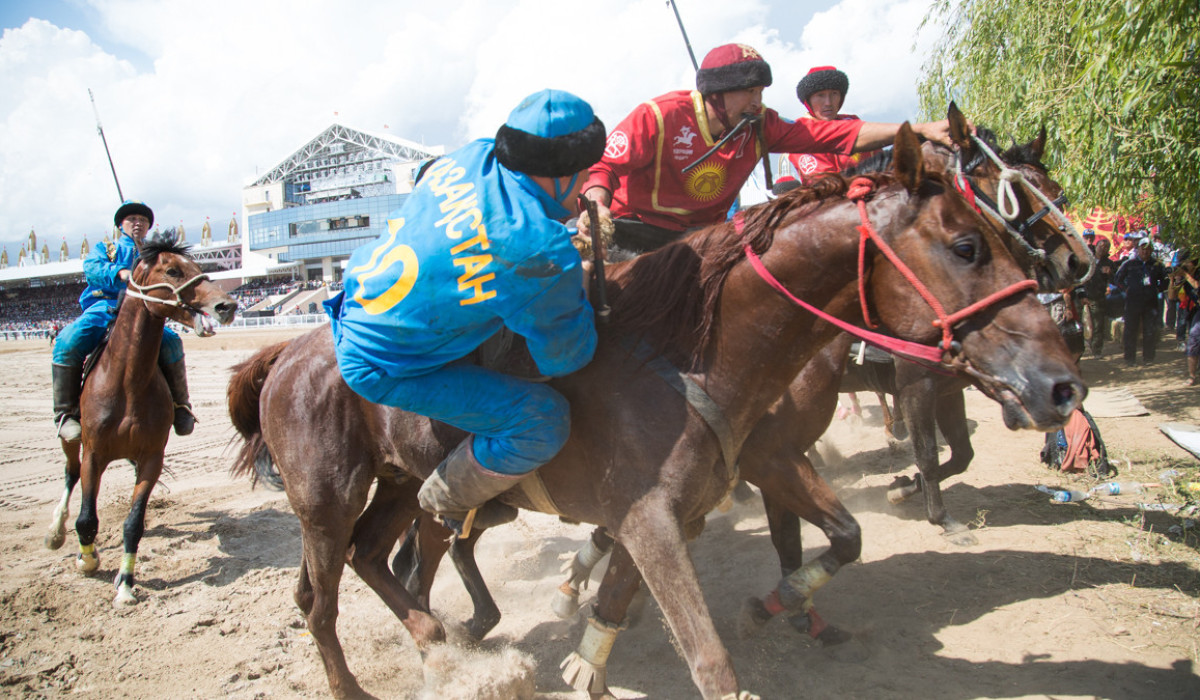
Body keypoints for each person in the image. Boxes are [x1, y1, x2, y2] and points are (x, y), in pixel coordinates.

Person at [325, 89, 606, 533]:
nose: (589, 179)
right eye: (584, 169)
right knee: (542, 420)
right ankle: (450, 498)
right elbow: (566, 357)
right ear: (560, 174)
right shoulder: (539, 250)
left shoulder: (473, 154)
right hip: (381, 364)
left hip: (356, 291)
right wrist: (581, 276)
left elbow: (428, 181)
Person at [579, 43, 956, 254]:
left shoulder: (761, 124)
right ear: (716, 94)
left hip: (701, 240)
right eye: (749, 92)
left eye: (761, 92)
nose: (758, 102)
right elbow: (604, 168)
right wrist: (597, 208)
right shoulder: (658, 116)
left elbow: (836, 135)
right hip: (634, 231)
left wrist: (919, 129)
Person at [51, 201, 194, 441]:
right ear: (121, 225)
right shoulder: (106, 248)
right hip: (105, 308)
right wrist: (120, 273)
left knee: (172, 342)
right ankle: (66, 414)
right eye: (132, 219)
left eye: (143, 220)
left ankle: (181, 406)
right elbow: (92, 268)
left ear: (149, 226)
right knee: (67, 340)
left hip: (144, 311)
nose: (137, 223)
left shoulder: (157, 254)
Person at [779, 65, 876, 189]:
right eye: (820, 95)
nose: (828, 103)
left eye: (834, 94)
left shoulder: (854, 122)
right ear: (808, 101)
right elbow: (826, 185)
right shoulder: (801, 133)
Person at [1113, 237, 1167, 366]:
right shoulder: (1129, 264)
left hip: (1150, 303)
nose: (1145, 252)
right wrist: (1126, 289)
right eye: (1143, 249)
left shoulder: (1157, 265)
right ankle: (1129, 359)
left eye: (1148, 249)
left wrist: (1157, 289)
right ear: (1138, 250)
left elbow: (1166, 280)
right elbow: (1118, 279)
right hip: (1133, 302)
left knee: (1150, 330)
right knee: (1130, 330)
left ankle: (1148, 358)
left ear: (1151, 250)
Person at [1081, 232, 1117, 357]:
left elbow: (1115, 281)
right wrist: (1081, 296)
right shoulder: (1087, 259)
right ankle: (1080, 349)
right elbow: (1079, 277)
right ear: (1096, 247)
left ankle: (1097, 350)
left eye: (1106, 247)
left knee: (1098, 325)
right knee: (1081, 325)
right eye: (1101, 246)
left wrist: (1110, 274)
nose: (1103, 249)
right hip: (1083, 295)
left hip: (1098, 297)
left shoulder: (1109, 263)